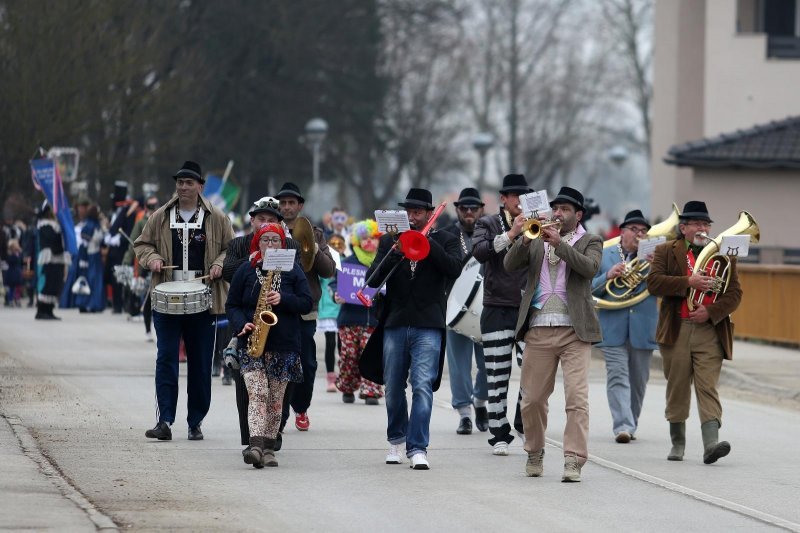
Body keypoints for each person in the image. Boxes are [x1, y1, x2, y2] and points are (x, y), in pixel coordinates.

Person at [504, 186, 602, 482]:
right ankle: (535, 451)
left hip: (575, 331)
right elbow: (509, 265)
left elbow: (590, 268)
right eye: (555, 209)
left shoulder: (590, 240)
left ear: (578, 214)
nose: (558, 214)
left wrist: (560, 244)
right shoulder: (536, 237)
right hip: (538, 328)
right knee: (531, 399)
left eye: (565, 210)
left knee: (576, 398)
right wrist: (523, 237)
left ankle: (573, 459)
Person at [361, 188, 462, 469]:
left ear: (430, 214)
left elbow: (454, 268)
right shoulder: (389, 242)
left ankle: (418, 447)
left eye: (417, 212)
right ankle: (396, 440)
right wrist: (396, 251)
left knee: (422, 386)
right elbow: (372, 280)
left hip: (429, 323)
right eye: (408, 212)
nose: (412, 217)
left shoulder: (447, 239)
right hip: (395, 321)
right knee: (393, 386)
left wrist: (427, 244)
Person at [134, 161, 234, 441]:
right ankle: (164, 420)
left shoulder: (217, 217)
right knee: (166, 358)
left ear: (200, 186)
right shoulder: (160, 216)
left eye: (189, 183)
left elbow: (231, 250)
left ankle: (195, 421)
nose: (183, 187)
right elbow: (142, 244)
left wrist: (219, 265)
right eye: (180, 182)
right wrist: (152, 259)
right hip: (167, 296)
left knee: (201, 363)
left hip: (203, 299)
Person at [646, 200, 742, 464]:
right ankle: (678, 442)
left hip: (709, 331)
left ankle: (711, 443)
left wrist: (710, 312)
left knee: (707, 386)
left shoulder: (723, 254)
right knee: (677, 387)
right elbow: (653, 284)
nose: (703, 228)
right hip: (676, 329)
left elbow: (734, 294)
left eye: (706, 224)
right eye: (697, 224)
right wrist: (689, 281)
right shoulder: (666, 251)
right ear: (684, 228)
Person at [226, 223, 313, 468]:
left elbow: (307, 303)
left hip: (284, 345)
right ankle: (254, 446)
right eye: (266, 240)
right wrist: (242, 323)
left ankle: (268, 448)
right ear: (258, 243)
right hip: (252, 343)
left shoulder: (294, 271)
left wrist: (283, 299)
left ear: (282, 244)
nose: (271, 245)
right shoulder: (245, 270)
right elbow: (231, 305)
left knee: (276, 399)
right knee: (258, 393)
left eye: (276, 240)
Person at [472, 174, 531, 455]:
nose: (520, 200)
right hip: (497, 306)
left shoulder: (537, 224)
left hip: (527, 309)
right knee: (497, 375)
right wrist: (511, 234)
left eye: (524, 195)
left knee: (532, 370)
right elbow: (480, 252)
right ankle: (498, 434)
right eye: (514, 196)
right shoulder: (487, 223)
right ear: (504, 199)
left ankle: (522, 423)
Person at [222, 196, 287, 451]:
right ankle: (251, 440)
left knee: (278, 392)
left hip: (282, 332)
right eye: (262, 220)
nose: (266, 225)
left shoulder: (288, 245)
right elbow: (228, 272)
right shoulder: (240, 245)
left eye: (272, 222)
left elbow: (302, 281)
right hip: (248, 329)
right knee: (247, 388)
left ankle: (272, 435)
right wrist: (255, 260)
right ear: (252, 221)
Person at [275, 182, 336, 433]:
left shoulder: (316, 233)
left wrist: (310, 245)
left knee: (307, 363)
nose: (287, 207)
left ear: (300, 206)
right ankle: (278, 410)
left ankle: (301, 407)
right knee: (278, 360)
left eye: (292, 203)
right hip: (277, 306)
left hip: (305, 307)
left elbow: (329, 269)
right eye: (283, 203)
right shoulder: (271, 230)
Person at [591, 209, 657, 443]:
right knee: (618, 376)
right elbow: (588, 289)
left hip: (643, 326)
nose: (639, 234)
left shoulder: (653, 258)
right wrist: (607, 275)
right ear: (622, 231)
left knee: (639, 381)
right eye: (634, 230)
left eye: (643, 231)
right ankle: (623, 425)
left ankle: (631, 424)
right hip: (612, 325)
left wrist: (656, 268)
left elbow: (664, 288)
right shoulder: (605, 253)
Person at [441, 187, 489, 435]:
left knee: (488, 364)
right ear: (457, 210)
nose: (469, 212)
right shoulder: (446, 234)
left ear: (482, 209)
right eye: (464, 208)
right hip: (455, 307)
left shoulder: (493, 232)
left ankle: (481, 401)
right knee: (458, 365)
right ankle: (464, 414)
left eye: (474, 208)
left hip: (487, 307)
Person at [332, 219, 384, 404]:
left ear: (379, 239)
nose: (369, 241)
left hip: (374, 321)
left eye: (373, 238)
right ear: (356, 241)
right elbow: (335, 284)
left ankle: (371, 391)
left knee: (370, 356)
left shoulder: (383, 262)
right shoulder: (347, 263)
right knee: (349, 356)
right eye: (364, 238)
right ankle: (347, 387)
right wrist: (336, 295)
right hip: (349, 319)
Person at [124, 196, 159, 339]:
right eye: (150, 207)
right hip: (144, 265)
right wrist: (126, 261)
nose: (153, 209)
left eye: (155, 206)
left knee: (158, 299)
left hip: (159, 264)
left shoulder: (160, 221)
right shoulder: (140, 223)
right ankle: (147, 330)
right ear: (146, 208)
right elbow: (133, 243)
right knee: (147, 298)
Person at [320, 234, 345, 393]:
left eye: (339, 244)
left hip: (342, 308)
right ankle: (330, 378)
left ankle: (344, 376)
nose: (336, 247)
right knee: (330, 344)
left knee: (344, 345)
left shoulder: (347, 262)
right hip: (328, 309)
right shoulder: (324, 262)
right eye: (332, 244)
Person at [34, 202, 69, 320]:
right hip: (49, 258)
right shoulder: (45, 224)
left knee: (55, 284)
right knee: (47, 284)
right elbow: (51, 239)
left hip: (57, 258)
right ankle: (41, 310)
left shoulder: (56, 224)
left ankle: (49, 310)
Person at [73, 204, 106, 313]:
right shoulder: (92, 225)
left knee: (90, 279)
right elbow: (85, 239)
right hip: (92, 255)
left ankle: (87, 304)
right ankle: (91, 304)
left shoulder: (91, 224)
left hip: (92, 255)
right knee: (93, 280)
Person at [4, 239, 23, 306]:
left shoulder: (19, 253)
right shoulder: (10, 254)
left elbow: (21, 261)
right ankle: (11, 300)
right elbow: (10, 261)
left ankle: (17, 300)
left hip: (17, 272)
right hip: (12, 273)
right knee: (11, 288)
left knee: (18, 288)